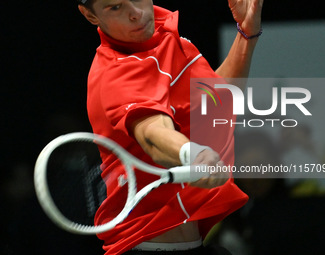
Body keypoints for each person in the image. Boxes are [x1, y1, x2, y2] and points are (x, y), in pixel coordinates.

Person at [76, 0, 263, 254]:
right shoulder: (115, 73)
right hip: (143, 247)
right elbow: (153, 134)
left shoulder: (171, 40)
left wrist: (246, 33)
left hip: (195, 244)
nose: (136, 13)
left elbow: (219, 101)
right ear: (90, 15)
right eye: (115, 7)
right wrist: (193, 154)